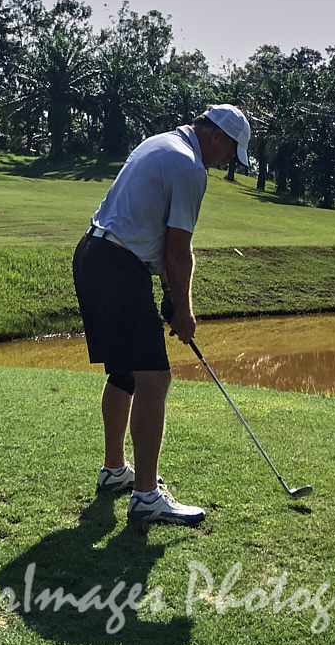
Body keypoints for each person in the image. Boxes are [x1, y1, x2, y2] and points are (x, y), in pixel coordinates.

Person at [72, 104, 252, 526]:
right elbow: (177, 251)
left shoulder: (160, 143)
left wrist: (170, 295)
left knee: (125, 373)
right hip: (119, 266)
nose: (227, 162)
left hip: (93, 254)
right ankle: (147, 496)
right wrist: (184, 312)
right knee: (155, 379)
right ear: (217, 137)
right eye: (231, 153)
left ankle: (114, 470)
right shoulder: (190, 166)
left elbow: (154, 233)